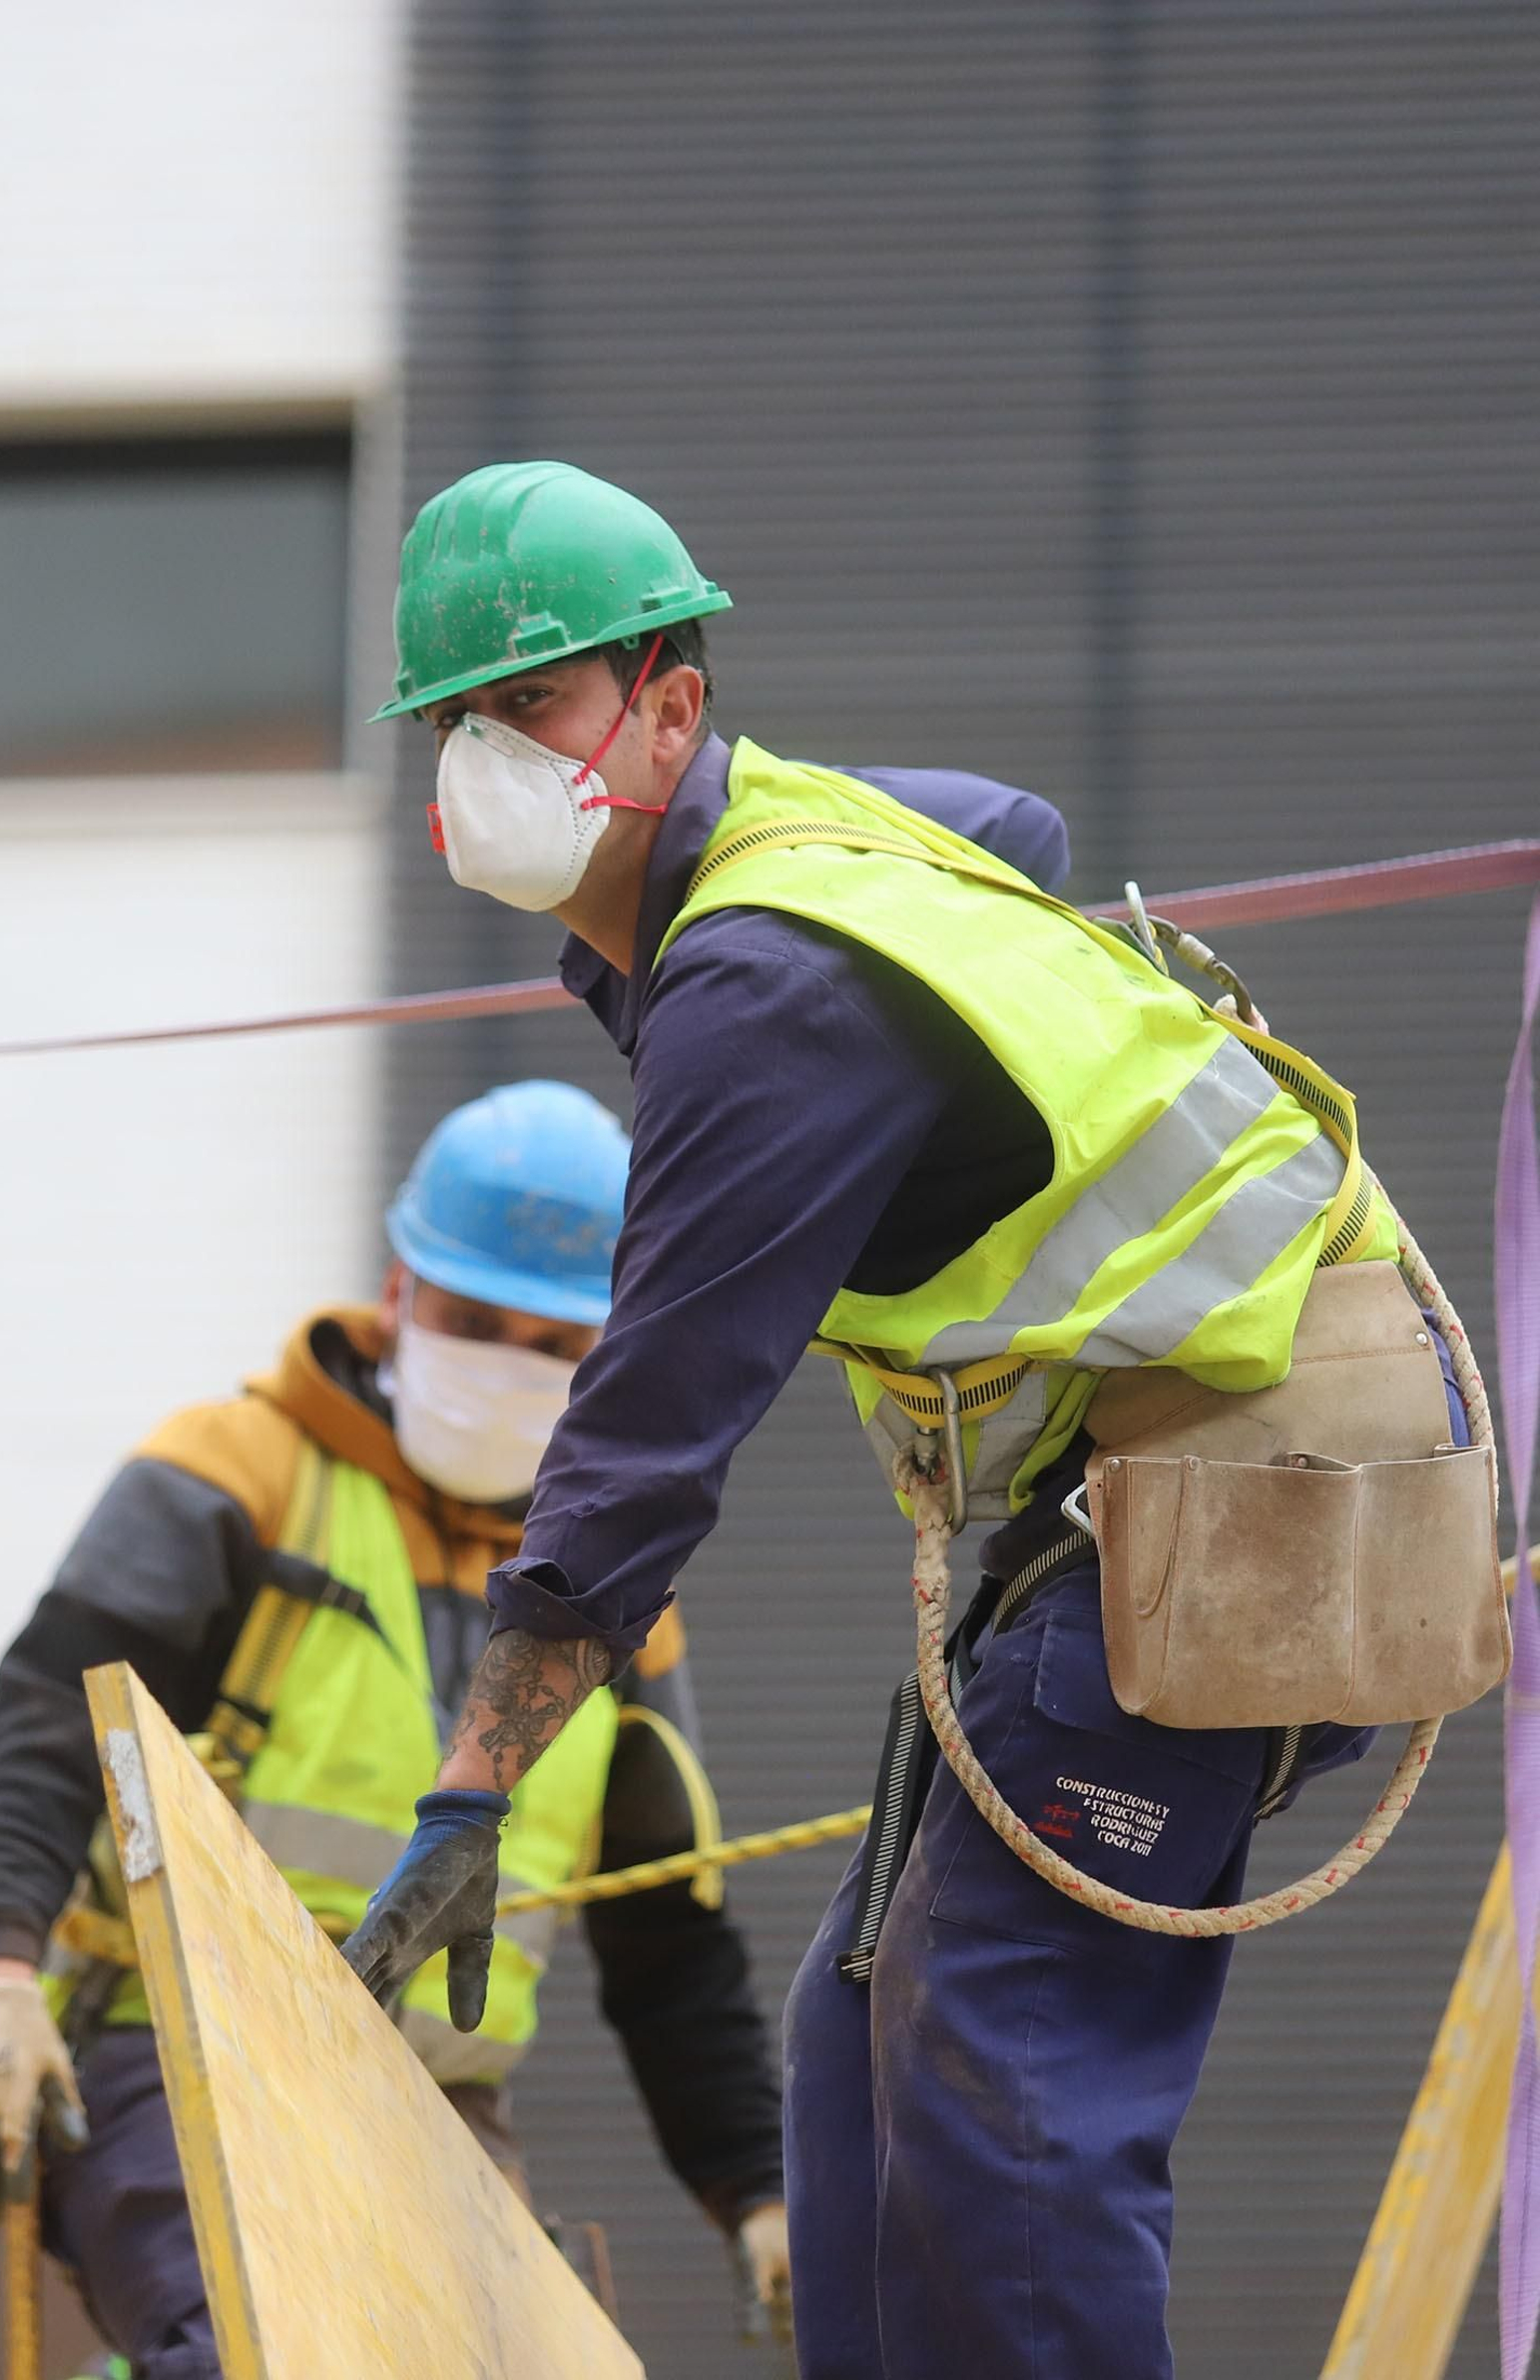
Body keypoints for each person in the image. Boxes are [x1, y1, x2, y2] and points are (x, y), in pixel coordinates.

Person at [337, 460, 1480, 2380]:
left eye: (527, 703)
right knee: (860, 2040)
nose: (482, 756)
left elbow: (647, 1435)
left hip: (1265, 1483)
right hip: (1154, 1495)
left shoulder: (765, 981)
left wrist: (472, 1794)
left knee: (999, 2048)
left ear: (671, 704)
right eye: (450, 720)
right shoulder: (806, 853)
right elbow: (1006, 821)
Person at [0, 1079, 788, 2379]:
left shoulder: (615, 1608)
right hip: (176, 2064)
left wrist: (759, 2192)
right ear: (398, 1297)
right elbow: (51, 1720)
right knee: (266, 2351)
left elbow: (667, 1935)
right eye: (473, 1321)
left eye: (558, 1344)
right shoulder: (240, 1472)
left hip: (437, 2110)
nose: (513, 1366)